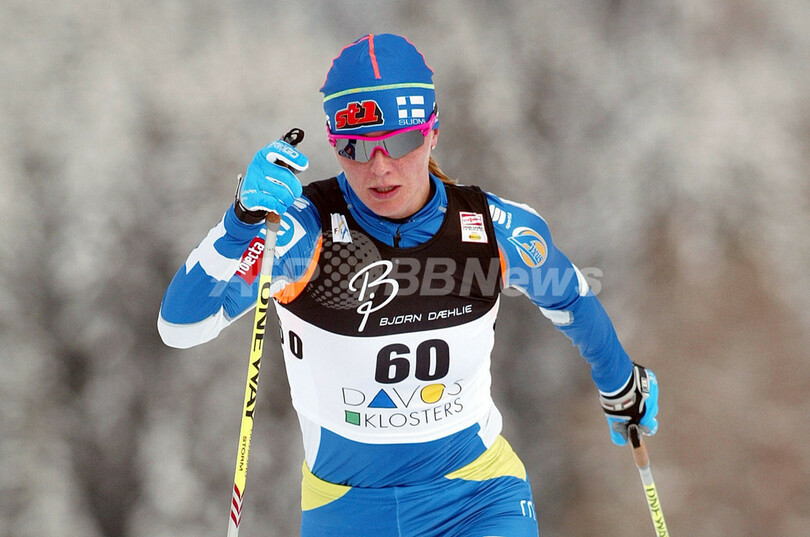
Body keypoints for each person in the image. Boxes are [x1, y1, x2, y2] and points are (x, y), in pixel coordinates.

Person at [158, 33, 659, 537]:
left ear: (432, 132)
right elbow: (182, 325)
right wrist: (240, 222)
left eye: (400, 142)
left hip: (478, 496)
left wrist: (619, 383)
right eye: (356, 148)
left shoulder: (490, 228)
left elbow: (569, 295)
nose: (379, 168)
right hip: (348, 513)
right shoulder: (301, 234)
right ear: (334, 143)